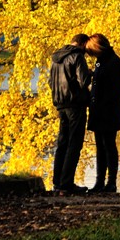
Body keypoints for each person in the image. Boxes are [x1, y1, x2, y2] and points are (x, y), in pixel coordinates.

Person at [49, 33, 92, 194]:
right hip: (75, 104)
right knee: (74, 143)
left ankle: (57, 182)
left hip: (60, 104)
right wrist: (90, 73)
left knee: (62, 143)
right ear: (83, 44)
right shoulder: (77, 57)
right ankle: (67, 183)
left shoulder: (56, 58)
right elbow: (84, 81)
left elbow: (50, 82)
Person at [85, 33, 120, 193]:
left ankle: (111, 182)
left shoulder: (113, 62)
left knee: (109, 146)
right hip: (99, 110)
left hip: (108, 111)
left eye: (92, 51)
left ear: (97, 47)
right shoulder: (101, 61)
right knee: (100, 147)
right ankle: (99, 182)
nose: (91, 55)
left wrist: (103, 100)